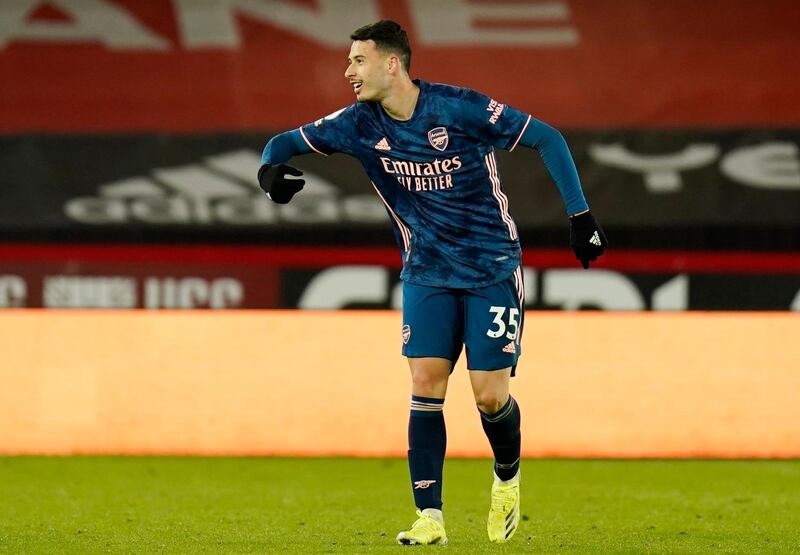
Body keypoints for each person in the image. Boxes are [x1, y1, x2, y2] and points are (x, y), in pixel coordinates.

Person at [257, 20, 606, 545]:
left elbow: (547, 139)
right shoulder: (357, 123)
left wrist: (580, 218)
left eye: (358, 60)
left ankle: (507, 476)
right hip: (426, 271)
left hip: (491, 266)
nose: (348, 71)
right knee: (425, 385)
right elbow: (281, 144)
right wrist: (269, 173)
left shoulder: (460, 109)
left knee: (489, 398)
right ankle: (429, 517)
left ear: (390, 63)